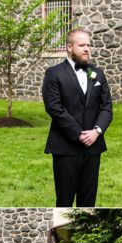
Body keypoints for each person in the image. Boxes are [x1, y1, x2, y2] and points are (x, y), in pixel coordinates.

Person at [42, 28, 113, 208]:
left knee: (88, 204)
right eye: (82, 45)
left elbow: (106, 108)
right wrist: (78, 133)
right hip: (66, 147)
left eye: (88, 45)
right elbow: (54, 108)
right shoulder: (54, 74)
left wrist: (96, 132)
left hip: (93, 148)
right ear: (69, 47)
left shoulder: (98, 73)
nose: (87, 49)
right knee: (64, 202)